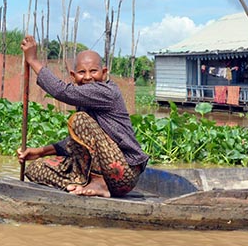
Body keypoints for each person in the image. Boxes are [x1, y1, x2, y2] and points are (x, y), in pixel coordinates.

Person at [17, 35, 149, 198]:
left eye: (93, 71)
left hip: (123, 172)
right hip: (92, 171)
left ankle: (99, 183)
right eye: (81, 72)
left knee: (79, 120)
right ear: (73, 75)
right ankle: (81, 185)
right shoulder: (84, 96)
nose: (87, 77)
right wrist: (40, 152)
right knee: (36, 169)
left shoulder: (107, 92)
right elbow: (76, 143)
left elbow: (61, 91)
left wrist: (32, 60)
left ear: (104, 72)